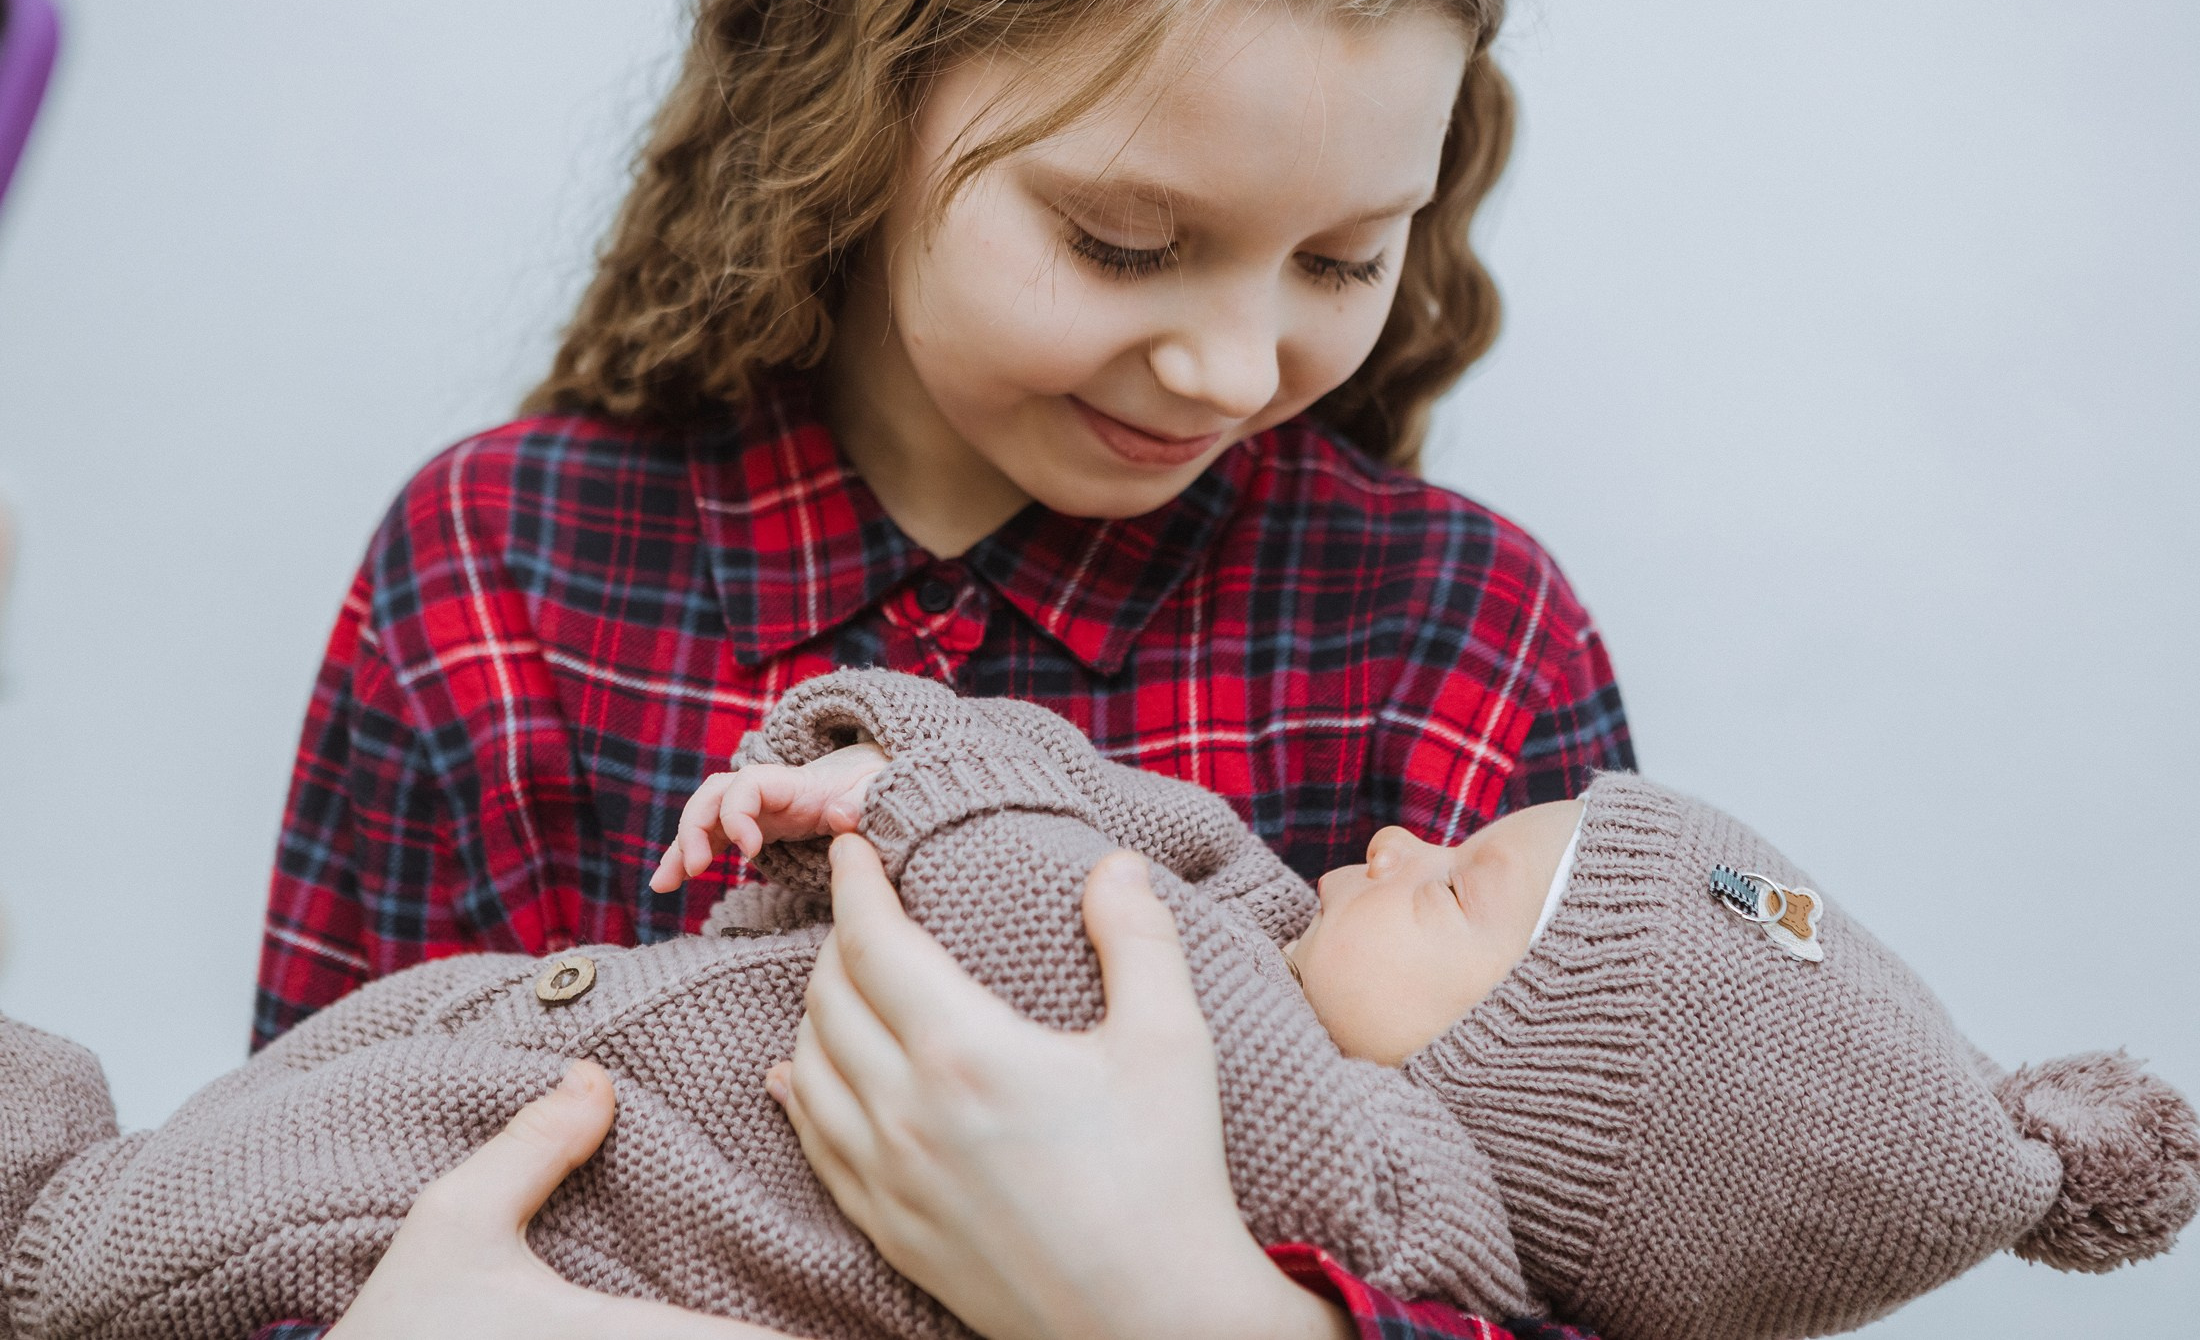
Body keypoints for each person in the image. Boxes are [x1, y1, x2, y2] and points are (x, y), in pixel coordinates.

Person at [252, 0, 1634, 1336]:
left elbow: (1619, 1275)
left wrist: (1189, 1308)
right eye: (1126, 244)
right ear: (860, 108)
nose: (1234, 371)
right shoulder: (498, 571)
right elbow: (271, 1191)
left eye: (1343, 257)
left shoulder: (1469, 638)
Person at [8, 672, 2190, 1340]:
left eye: (1473, 888)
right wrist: (870, 745)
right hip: (421, 1123)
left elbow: (1042, 884)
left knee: (107, 1227)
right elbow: (1127, 822)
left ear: (1519, 1103)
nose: (1411, 839)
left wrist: (922, 785)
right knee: (125, 1153)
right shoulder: (1270, 936)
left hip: (397, 1248)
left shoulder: (1371, 1179)